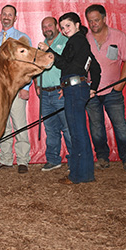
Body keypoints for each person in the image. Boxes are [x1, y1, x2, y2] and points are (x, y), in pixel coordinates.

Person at [38, 12, 101, 184]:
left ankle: (77, 175)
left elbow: (65, 64)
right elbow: (95, 68)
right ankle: (85, 173)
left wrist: (49, 51)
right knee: (79, 131)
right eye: (63, 27)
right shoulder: (82, 42)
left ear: (78, 24)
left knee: (76, 132)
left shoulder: (76, 41)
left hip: (73, 88)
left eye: (68, 26)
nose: (65, 30)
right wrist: (92, 88)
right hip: (78, 88)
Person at [85, 4, 126, 172]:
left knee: (120, 125)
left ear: (105, 19)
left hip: (113, 91)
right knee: (96, 127)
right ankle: (103, 158)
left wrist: (121, 83)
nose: (93, 24)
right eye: (90, 21)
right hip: (92, 92)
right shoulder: (85, 38)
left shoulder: (118, 36)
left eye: (96, 20)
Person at [0, 5, 32, 174]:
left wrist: (26, 86)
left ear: (15, 18)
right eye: (4, 14)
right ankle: (5, 159)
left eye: (10, 15)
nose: (6, 17)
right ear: (0, 16)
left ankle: (23, 160)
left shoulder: (22, 37)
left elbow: (28, 65)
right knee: (2, 125)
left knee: (19, 123)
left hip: (16, 87)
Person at [35, 17, 72, 171]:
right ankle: (53, 159)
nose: (47, 28)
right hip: (44, 93)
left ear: (57, 26)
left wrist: (66, 85)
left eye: (50, 25)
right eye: (44, 26)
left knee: (68, 127)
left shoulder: (66, 42)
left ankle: (74, 159)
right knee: (50, 128)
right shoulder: (41, 46)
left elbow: (69, 65)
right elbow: (36, 66)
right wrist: (37, 84)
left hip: (60, 91)